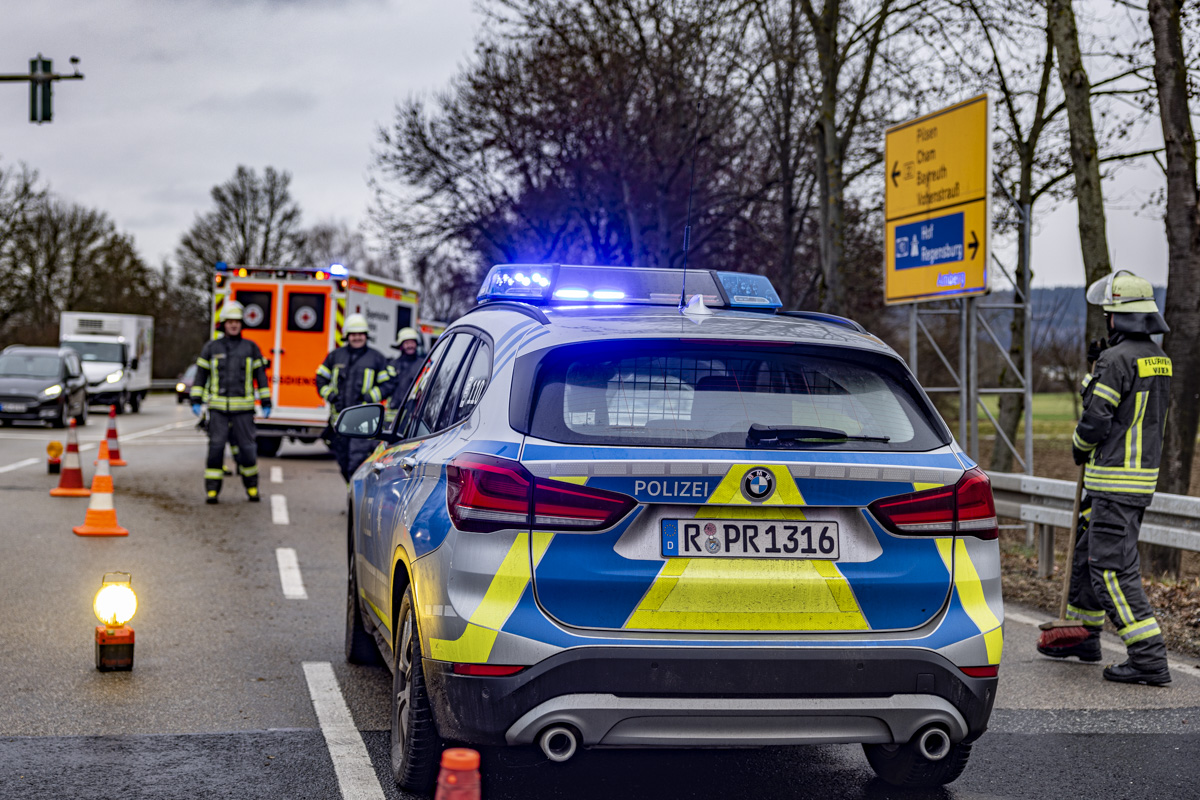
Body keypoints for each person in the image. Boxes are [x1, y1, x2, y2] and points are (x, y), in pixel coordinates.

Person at [1037, 270, 1172, 685]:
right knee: (1086, 558)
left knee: (1111, 571)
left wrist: (1078, 445)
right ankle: (1083, 637)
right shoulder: (1157, 358)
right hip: (1130, 480)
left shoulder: (1115, 361)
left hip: (1113, 480)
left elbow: (1096, 420)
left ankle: (1148, 657)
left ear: (1117, 318)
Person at [190, 301, 271, 504]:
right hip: (217, 409)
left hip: (243, 410)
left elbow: (261, 376)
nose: (233, 325)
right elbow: (201, 375)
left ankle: (252, 488)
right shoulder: (211, 348)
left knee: (248, 451)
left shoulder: (251, 348)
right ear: (223, 324)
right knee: (216, 449)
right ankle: (212, 491)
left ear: (242, 324)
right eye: (230, 322)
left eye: (237, 322)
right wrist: (196, 399)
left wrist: (266, 400)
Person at [315, 314, 390, 482]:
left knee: (356, 462)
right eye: (353, 334)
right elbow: (320, 378)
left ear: (366, 335)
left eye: (361, 334)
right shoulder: (335, 356)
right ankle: (352, 495)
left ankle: (354, 500)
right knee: (343, 462)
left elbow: (388, 383)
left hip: (363, 423)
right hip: (339, 422)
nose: (357, 337)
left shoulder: (376, 358)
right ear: (347, 335)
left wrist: (371, 396)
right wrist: (331, 395)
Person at [385, 327, 425, 409]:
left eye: (412, 342)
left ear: (416, 344)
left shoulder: (423, 364)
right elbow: (386, 387)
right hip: (393, 411)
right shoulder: (392, 365)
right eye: (407, 343)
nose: (410, 346)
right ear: (401, 346)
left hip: (414, 410)